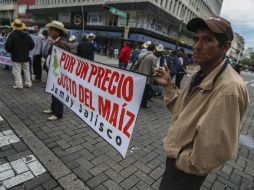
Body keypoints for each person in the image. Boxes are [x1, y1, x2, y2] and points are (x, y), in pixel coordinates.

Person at [155, 16, 249, 190]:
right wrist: (168, 84)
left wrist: (182, 162)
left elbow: (217, 149)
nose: (197, 46)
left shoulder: (229, 89)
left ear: (225, 47)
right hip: (176, 159)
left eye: (207, 40)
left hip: (185, 171)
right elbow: (182, 112)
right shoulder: (200, 72)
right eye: (196, 39)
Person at [42, 20, 70, 121]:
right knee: (53, 90)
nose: (49, 32)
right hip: (52, 71)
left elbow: (65, 60)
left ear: (57, 32)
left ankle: (58, 113)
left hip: (58, 73)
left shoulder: (62, 44)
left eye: (51, 30)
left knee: (57, 92)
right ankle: (53, 109)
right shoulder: (55, 42)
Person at [5, 19, 35, 89]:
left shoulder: (12, 34)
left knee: (17, 71)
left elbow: (8, 45)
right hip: (25, 56)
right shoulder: (27, 34)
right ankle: (28, 83)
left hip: (15, 56)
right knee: (26, 70)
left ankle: (19, 85)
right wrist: (27, 50)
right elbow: (32, 45)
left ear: (14, 26)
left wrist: (10, 51)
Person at [137, 44, 158, 108]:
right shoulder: (154, 58)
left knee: (140, 89)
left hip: (139, 74)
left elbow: (136, 64)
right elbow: (154, 69)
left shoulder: (141, 55)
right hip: (147, 77)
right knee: (146, 91)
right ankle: (143, 103)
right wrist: (156, 75)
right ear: (154, 49)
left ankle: (138, 101)